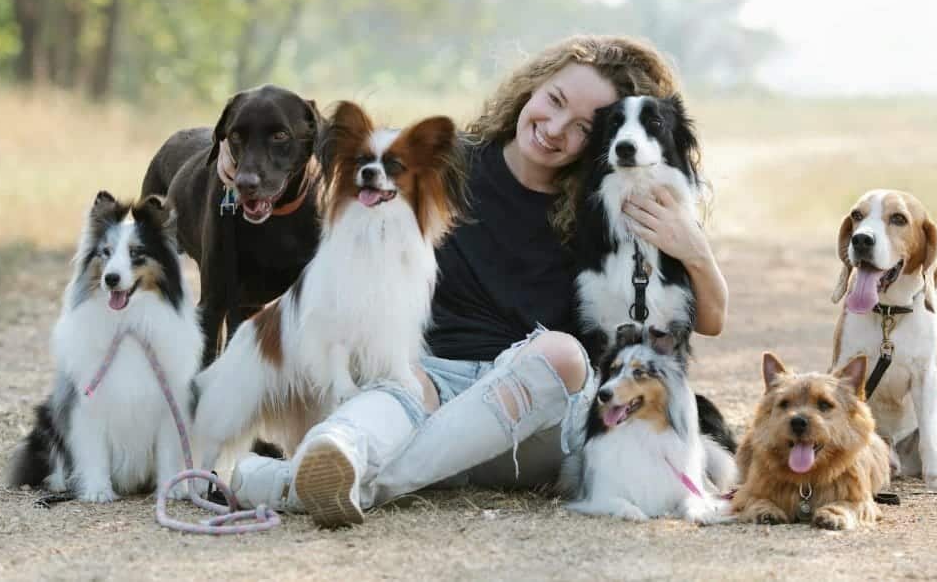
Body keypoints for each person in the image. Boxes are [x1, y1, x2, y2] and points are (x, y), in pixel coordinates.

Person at [227, 35, 729, 527]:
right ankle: (335, 461)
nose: (554, 128)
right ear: (531, 87)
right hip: (426, 383)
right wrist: (233, 165)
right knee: (400, 379)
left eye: (580, 126)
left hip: (532, 412)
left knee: (562, 355)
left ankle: (290, 483)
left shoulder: (602, 209)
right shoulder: (446, 163)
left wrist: (695, 250)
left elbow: (708, 318)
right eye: (553, 101)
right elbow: (342, 160)